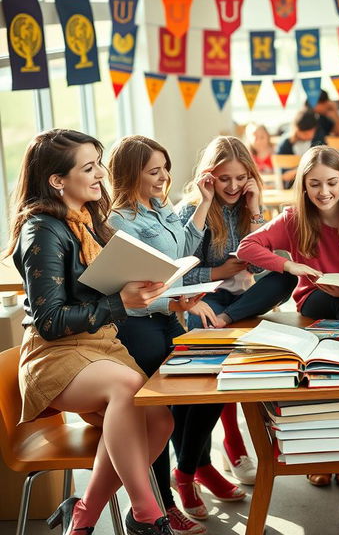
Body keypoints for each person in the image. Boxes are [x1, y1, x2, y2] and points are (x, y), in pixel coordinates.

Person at [8, 129, 175, 535]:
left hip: (100, 345)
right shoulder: (42, 229)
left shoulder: (90, 221)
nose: (101, 174)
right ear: (56, 180)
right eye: (89, 167)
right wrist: (122, 304)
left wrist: (155, 290)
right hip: (55, 354)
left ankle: (82, 513)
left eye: (99, 163)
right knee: (128, 386)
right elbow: (49, 320)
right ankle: (147, 515)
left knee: (161, 420)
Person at [108, 136, 245, 535]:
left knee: (203, 388)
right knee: (159, 416)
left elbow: (184, 252)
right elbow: (126, 293)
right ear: (131, 173)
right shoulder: (119, 220)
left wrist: (203, 202)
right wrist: (172, 304)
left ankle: (190, 471)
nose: (164, 177)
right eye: (154, 171)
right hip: (139, 324)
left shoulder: (159, 206)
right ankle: (163, 505)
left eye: (165, 168)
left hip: (169, 316)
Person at [237, 145, 339, 487]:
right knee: (333, 340)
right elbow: (248, 247)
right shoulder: (294, 218)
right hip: (315, 305)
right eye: (314, 184)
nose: (324, 192)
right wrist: (289, 264)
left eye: (332, 182)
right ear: (304, 186)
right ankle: (319, 454)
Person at [178, 136, 297, 483]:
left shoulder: (250, 207)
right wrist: (219, 272)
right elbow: (179, 269)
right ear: (209, 176)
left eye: (240, 178)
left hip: (241, 302)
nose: (232, 186)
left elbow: (265, 267)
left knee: (285, 270)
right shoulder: (192, 208)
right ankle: (232, 441)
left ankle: (227, 321)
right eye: (223, 178)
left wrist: (256, 209)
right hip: (205, 297)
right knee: (218, 355)